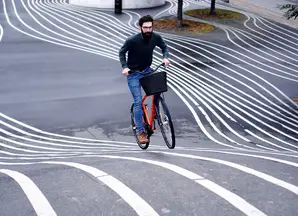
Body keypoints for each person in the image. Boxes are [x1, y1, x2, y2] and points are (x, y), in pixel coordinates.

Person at [119, 15, 170, 144]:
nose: (148, 30)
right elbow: (122, 52)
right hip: (133, 74)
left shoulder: (155, 37)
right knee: (138, 102)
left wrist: (165, 57)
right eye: (145, 27)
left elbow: (164, 47)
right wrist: (125, 67)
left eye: (150, 27)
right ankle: (140, 132)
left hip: (147, 70)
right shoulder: (132, 40)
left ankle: (156, 112)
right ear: (140, 28)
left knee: (159, 89)